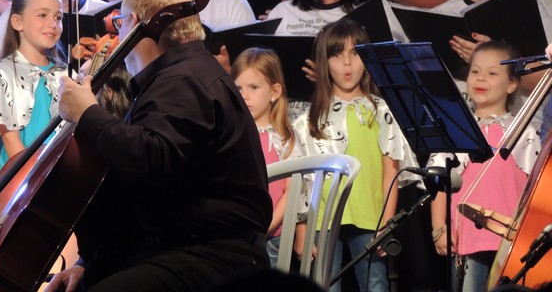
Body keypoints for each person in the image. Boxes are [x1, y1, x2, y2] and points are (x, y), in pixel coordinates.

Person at [48, 0, 271, 292]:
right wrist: (89, 263)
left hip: (213, 256)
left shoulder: (184, 80)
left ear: (137, 22)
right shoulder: (181, 74)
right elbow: (146, 193)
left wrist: (87, 112)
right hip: (174, 248)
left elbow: (148, 160)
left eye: (121, 24)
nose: (118, 38)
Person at [292, 19, 407, 292]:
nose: (347, 63)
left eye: (355, 53)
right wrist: (301, 230)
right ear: (324, 62)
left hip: (370, 217)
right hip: (322, 219)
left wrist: (387, 221)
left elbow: (391, 171)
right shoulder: (309, 120)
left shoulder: (381, 111)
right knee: (325, 285)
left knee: (375, 285)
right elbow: (302, 182)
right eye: (337, 54)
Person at [428, 41, 541, 292]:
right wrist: (439, 228)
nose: (481, 78)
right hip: (467, 238)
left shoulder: (524, 132)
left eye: (492, 73)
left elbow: (533, 190)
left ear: (512, 84)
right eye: (475, 71)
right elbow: (439, 183)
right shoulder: (455, 130)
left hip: (510, 242)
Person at [0, 0, 67, 171]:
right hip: (23, 177)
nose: (53, 24)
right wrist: (36, 178)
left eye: (58, 17)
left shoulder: (64, 74)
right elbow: (10, 140)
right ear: (17, 22)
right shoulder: (3, 72)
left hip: (59, 173)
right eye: (42, 15)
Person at [231, 47, 301, 268]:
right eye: (238, 88)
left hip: (273, 236)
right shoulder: (233, 136)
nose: (244, 96)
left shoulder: (285, 138)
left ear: (274, 91)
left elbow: (292, 191)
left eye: (253, 87)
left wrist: (267, 227)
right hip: (238, 235)